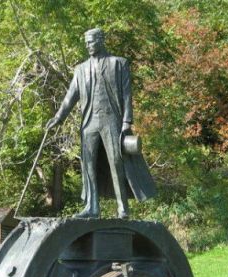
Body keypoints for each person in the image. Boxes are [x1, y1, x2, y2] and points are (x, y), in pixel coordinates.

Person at [46, 28, 155, 219]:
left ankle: (122, 208)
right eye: (86, 42)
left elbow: (126, 95)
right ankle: (92, 207)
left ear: (101, 40)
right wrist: (58, 117)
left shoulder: (119, 64)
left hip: (111, 120)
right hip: (89, 122)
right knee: (88, 164)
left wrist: (127, 121)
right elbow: (70, 96)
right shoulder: (80, 70)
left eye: (91, 42)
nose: (88, 46)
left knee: (116, 162)